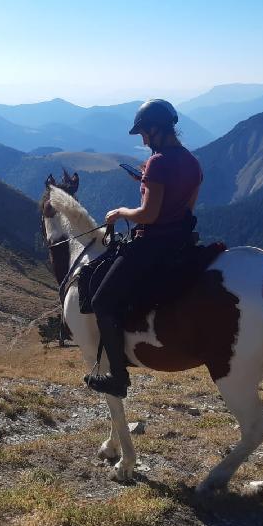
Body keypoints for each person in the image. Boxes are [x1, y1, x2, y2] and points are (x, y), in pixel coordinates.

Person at [84, 99, 203, 398]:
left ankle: (118, 377)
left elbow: (148, 215)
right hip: (181, 242)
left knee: (102, 301)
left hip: (152, 245)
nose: (143, 139)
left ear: (155, 128)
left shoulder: (158, 162)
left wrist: (121, 212)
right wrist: (147, 181)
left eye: (144, 134)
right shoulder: (191, 161)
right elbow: (186, 207)